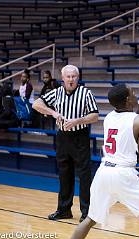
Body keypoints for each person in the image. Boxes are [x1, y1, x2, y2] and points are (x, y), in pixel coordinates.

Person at [70, 84, 139, 239]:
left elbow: (137, 131)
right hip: (124, 174)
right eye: (133, 93)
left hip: (103, 173)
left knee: (90, 219)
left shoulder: (109, 117)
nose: (136, 95)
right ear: (128, 100)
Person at [32, 64, 99, 223]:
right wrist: (53, 112)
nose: (71, 79)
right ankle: (64, 210)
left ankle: (86, 212)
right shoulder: (56, 93)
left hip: (80, 136)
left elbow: (95, 115)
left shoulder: (86, 93)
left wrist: (78, 121)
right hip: (62, 136)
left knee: (84, 175)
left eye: (73, 76)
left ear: (78, 78)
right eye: (68, 77)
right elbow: (36, 104)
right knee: (64, 173)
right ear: (62, 79)